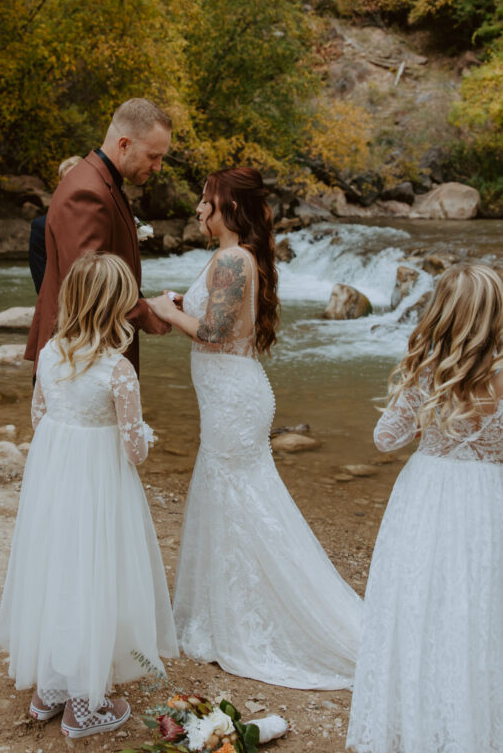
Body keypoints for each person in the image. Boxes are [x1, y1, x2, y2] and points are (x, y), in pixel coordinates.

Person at [148, 167, 362, 688]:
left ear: (231, 209)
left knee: (240, 500)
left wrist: (163, 310)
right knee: (233, 500)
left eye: (207, 202)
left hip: (233, 399)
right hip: (230, 394)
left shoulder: (230, 258)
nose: (199, 210)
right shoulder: (234, 257)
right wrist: (181, 308)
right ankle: (223, 613)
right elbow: (216, 329)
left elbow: (216, 332)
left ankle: (253, 622)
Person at [0, 252, 178, 738]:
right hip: (100, 486)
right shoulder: (118, 370)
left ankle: (48, 689)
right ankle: (86, 702)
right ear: (115, 307)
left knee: (57, 570)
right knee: (94, 574)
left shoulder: (52, 351)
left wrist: (66, 443)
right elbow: (135, 449)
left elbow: (40, 415)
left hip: (54, 481)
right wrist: (147, 434)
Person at [346, 264, 503, 753]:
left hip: (429, 500)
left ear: (441, 315)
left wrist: (415, 391)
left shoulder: (428, 373)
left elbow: (385, 439)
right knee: (479, 617)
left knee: (420, 612)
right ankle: (477, 742)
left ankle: (411, 742)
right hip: (488, 504)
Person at [24, 98, 172, 375]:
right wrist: (144, 314)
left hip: (90, 357)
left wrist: (149, 304)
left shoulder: (101, 181)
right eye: (153, 156)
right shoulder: (87, 192)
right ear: (124, 144)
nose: (158, 167)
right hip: (77, 365)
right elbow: (88, 288)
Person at [29, 156, 82, 294]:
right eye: (67, 180)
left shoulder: (103, 219)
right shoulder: (41, 227)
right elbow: (41, 282)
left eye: (77, 177)